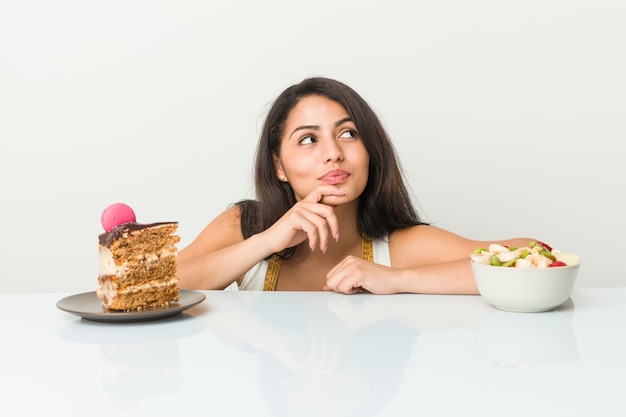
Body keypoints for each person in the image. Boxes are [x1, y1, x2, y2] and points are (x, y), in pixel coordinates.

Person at [178, 77, 535, 294]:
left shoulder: (398, 246)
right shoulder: (244, 226)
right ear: (278, 167)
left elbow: (530, 256)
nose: (333, 153)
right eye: (308, 140)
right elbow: (155, 286)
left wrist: (398, 279)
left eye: (348, 134)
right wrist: (266, 241)